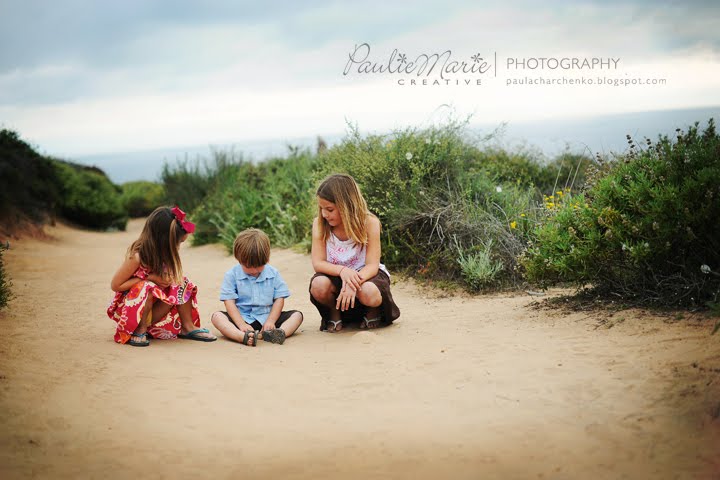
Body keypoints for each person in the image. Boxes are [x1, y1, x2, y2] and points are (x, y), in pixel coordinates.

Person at [107, 206, 216, 346]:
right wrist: (149, 278)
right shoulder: (137, 257)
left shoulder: (164, 254)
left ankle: (187, 326)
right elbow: (116, 285)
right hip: (132, 311)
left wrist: (167, 280)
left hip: (154, 311)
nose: (177, 247)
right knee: (146, 287)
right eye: (177, 243)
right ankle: (139, 329)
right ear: (163, 240)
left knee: (181, 282)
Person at [309, 173, 400, 332]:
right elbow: (318, 263)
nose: (324, 214)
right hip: (336, 275)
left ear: (347, 206)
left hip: (366, 275)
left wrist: (353, 282)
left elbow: (372, 265)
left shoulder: (370, 223)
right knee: (318, 285)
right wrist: (343, 272)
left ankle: (373, 310)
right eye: (322, 209)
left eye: (329, 209)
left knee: (368, 292)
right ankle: (333, 312)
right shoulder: (319, 224)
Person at [210, 228, 303, 346]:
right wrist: (241, 324)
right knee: (217, 317)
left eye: (259, 266)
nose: (254, 270)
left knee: (297, 315)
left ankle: (279, 333)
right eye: (248, 266)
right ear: (238, 259)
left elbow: (279, 299)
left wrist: (271, 321)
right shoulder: (232, 275)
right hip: (242, 318)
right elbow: (229, 302)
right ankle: (241, 336)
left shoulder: (273, 273)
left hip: (268, 319)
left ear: (267, 259)